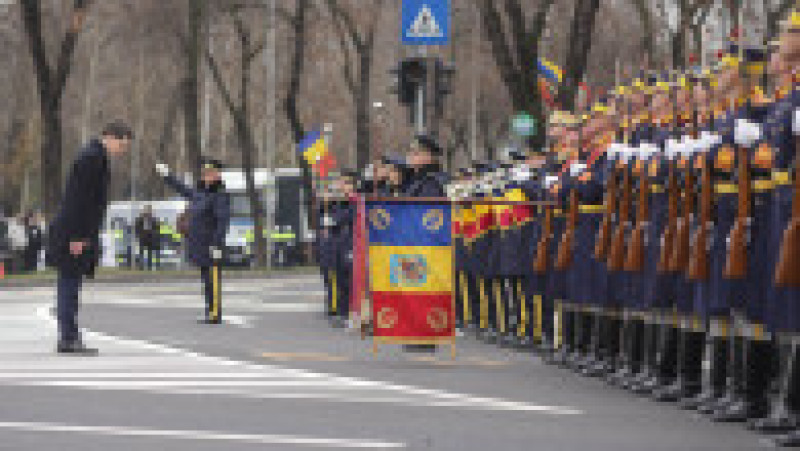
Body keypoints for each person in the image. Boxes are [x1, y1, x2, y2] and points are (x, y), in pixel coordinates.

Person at [46, 121, 133, 355]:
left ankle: (69, 336)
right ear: (111, 137)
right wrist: (77, 236)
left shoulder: (94, 156)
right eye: (122, 146)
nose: (122, 151)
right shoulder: (92, 157)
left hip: (76, 231)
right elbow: (78, 199)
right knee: (69, 285)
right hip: (73, 233)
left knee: (71, 284)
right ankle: (68, 338)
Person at [156, 158, 231, 324]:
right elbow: (182, 189)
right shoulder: (200, 193)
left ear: (218, 175)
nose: (207, 176)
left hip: (211, 245)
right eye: (205, 173)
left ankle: (215, 313)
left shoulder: (219, 195)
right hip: (199, 245)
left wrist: (217, 244)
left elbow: (222, 220)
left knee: (213, 280)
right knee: (207, 280)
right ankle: (210, 311)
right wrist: (167, 175)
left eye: (211, 173)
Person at [134, 205, 160, 270]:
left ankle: (149, 266)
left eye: (150, 210)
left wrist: (154, 234)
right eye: (147, 210)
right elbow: (136, 228)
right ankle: (141, 266)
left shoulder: (153, 219)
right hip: (142, 237)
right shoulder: (140, 219)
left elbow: (157, 228)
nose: (148, 212)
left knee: (149, 253)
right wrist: (139, 235)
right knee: (141, 252)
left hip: (150, 237)